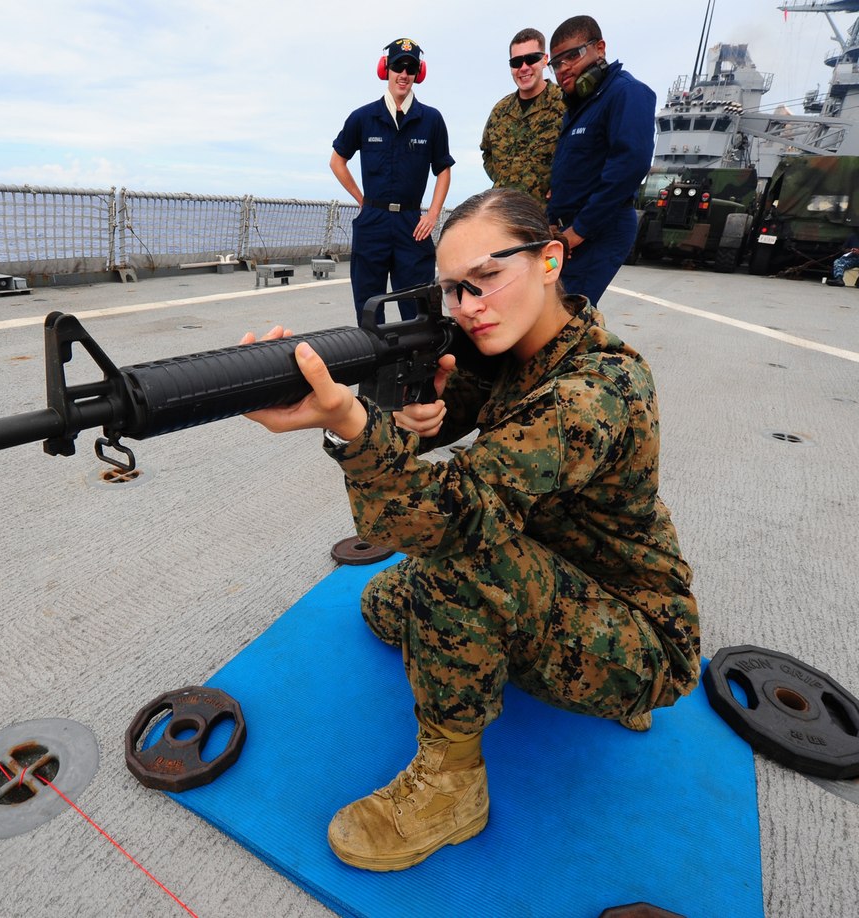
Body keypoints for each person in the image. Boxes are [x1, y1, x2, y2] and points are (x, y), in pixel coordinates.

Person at [244, 188, 701, 872]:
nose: (468, 307)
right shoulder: (516, 351)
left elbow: (446, 517)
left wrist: (350, 426)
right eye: (454, 290)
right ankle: (516, 645)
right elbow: (440, 417)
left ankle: (454, 785)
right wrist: (393, 402)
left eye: (486, 279)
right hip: (554, 567)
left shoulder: (595, 391)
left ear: (550, 261)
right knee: (384, 608)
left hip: (640, 632)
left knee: (453, 564)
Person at [331, 38, 454, 324]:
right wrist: (362, 200)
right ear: (385, 69)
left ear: (418, 74)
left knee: (419, 307)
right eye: (398, 66)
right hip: (372, 222)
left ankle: (418, 366)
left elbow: (444, 170)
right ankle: (375, 367)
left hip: (412, 225)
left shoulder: (431, 120)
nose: (404, 74)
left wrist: (433, 214)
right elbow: (337, 161)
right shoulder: (363, 118)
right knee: (368, 307)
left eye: (410, 68)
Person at [546, 15, 655, 304]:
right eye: (556, 63)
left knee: (567, 314)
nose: (563, 68)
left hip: (597, 230)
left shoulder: (626, 93)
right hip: (568, 232)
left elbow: (629, 167)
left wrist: (578, 231)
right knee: (550, 309)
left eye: (573, 55)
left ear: (600, 48)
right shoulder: (581, 105)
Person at [480, 27, 565, 204]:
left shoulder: (566, 104)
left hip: (548, 219)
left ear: (544, 60)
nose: (524, 68)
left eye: (531, 59)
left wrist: (563, 183)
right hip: (506, 215)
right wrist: (506, 180)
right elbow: (487, 152)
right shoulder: (500, 111)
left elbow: (585, 152)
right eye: (516, 62)